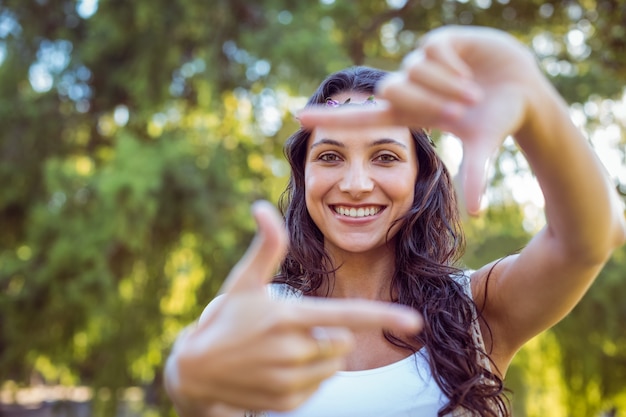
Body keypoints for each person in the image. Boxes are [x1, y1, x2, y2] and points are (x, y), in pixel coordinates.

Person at [164, 26, 626, 417]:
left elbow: (590, 237)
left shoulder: (480, 309)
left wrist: (532, 95)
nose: (357, 183)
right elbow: (201, 393)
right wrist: (185, 384)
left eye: (385, 157)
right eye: (330, 156)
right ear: (304, 176)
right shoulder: (253, 315)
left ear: (419, 176)